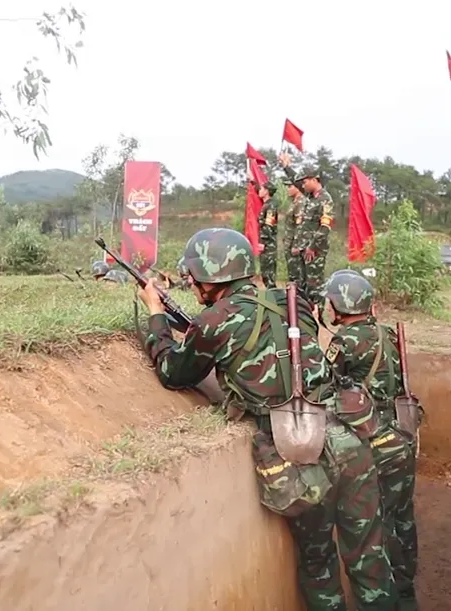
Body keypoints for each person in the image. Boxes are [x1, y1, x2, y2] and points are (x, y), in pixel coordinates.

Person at [137, 228, 396, 611]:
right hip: (349, 438)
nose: (191, 282)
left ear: (209, 277)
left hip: (299, 453)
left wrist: (157, 315)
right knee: (370, 560)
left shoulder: (214, 321)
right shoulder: (295, 303)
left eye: (194, 276)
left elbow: (174, 371)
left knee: (319, 563)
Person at [323, 270, 419, 610]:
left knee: (371, 526)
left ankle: (383, 597)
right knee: (402, 518)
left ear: (338, 305)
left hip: (371, 437)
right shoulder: (388, 333)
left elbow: (324, 382)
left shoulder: (344, 340)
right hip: (402, 434)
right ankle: (407, 594)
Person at [279, 153, 334, 308]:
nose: (302, 185)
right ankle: (306, 313)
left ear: (314, 180)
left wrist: (312, 246)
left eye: (305, 182)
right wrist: (285, 166)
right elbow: (295, 179)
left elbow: (325, 227)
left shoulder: (325, 199)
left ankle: (319, 313)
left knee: (315, 284)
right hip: (304, 249)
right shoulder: (310, 197)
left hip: (315, 250)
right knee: (303, 284)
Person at [256, 180, 281, 288]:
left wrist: (263, 242)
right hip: (266, 244)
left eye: (261, 189)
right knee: (265, 274)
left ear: (266, 191)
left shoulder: (271, 206)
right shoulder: (267, 205)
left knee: (269, 274)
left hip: (268, 244)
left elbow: (268, 226)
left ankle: (274, 300)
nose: (259, 191)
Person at [285, 180, 307, 290]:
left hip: (294, 244)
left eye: (290, 186)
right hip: (289, 242)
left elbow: (300, 225)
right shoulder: (294, 202)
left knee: (297, 276)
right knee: (292, 274)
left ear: (297, 188)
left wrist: (296, 245)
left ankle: (299, 300)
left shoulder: (300, 202)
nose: (288, 189)